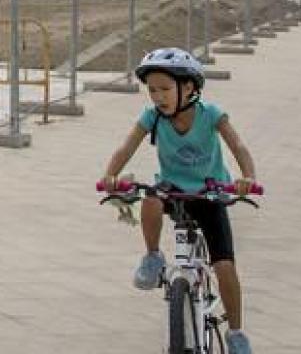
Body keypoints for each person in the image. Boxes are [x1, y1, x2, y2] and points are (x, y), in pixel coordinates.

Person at [100, 48, 259, 354]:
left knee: (224, 265)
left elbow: (238, 145)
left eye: (164, 89)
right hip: (172, 190)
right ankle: (153, 256)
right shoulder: (152, 117)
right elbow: (125, 147)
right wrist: (110, 175)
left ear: (188, 88)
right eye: (152, 90)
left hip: (210, 192)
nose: (157, 97)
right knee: (151, 196)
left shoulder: (210, 114)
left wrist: (247, 178)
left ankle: (236, 334)